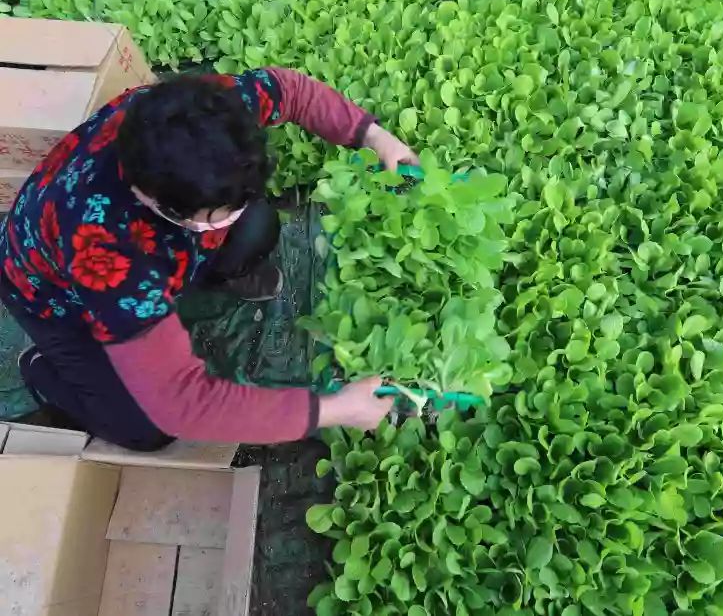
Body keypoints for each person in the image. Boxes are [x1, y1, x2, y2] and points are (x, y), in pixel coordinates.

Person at [0, 67, 415, 450]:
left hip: (152, 246)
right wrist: (334, 410)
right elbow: (182, 404)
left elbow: (291, 90)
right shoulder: (111, 256)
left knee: (254, 225)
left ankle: (214, 274)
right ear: (155, 202)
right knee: (145, 428)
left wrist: (374, 136)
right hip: (53, 297)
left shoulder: (204, 113)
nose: (228, 218)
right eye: (214, 215)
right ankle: (46, 372)